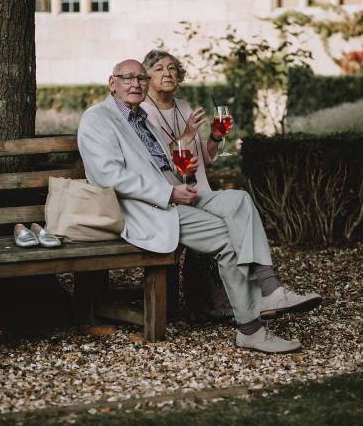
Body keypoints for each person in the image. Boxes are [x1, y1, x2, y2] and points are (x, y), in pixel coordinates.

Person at [77, 58, 322, 353]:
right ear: (111, 82)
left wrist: (184, 174)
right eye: (127, 78)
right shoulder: (98, 118)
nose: (136, 84)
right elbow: (109, 176)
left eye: (141, 78)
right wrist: (169, 193)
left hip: (175, 195)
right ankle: (251, 329)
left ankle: (271, 290)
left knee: (239, 200)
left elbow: (163, 165)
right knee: (226, 236)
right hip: (143, 208)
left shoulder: (140, 117)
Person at [141, 49, 233, 320]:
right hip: (169, 193)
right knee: (207, 234)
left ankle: (206, 303)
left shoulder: (183, 106)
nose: (167, 73)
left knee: (221, 230)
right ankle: (199, 305)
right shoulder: (142, 112)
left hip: (198, 187)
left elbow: (203, 157)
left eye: (172, 68)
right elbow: (156, 156)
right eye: (158, 68)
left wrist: (215, 137)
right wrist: (188, 133)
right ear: (147, 77)